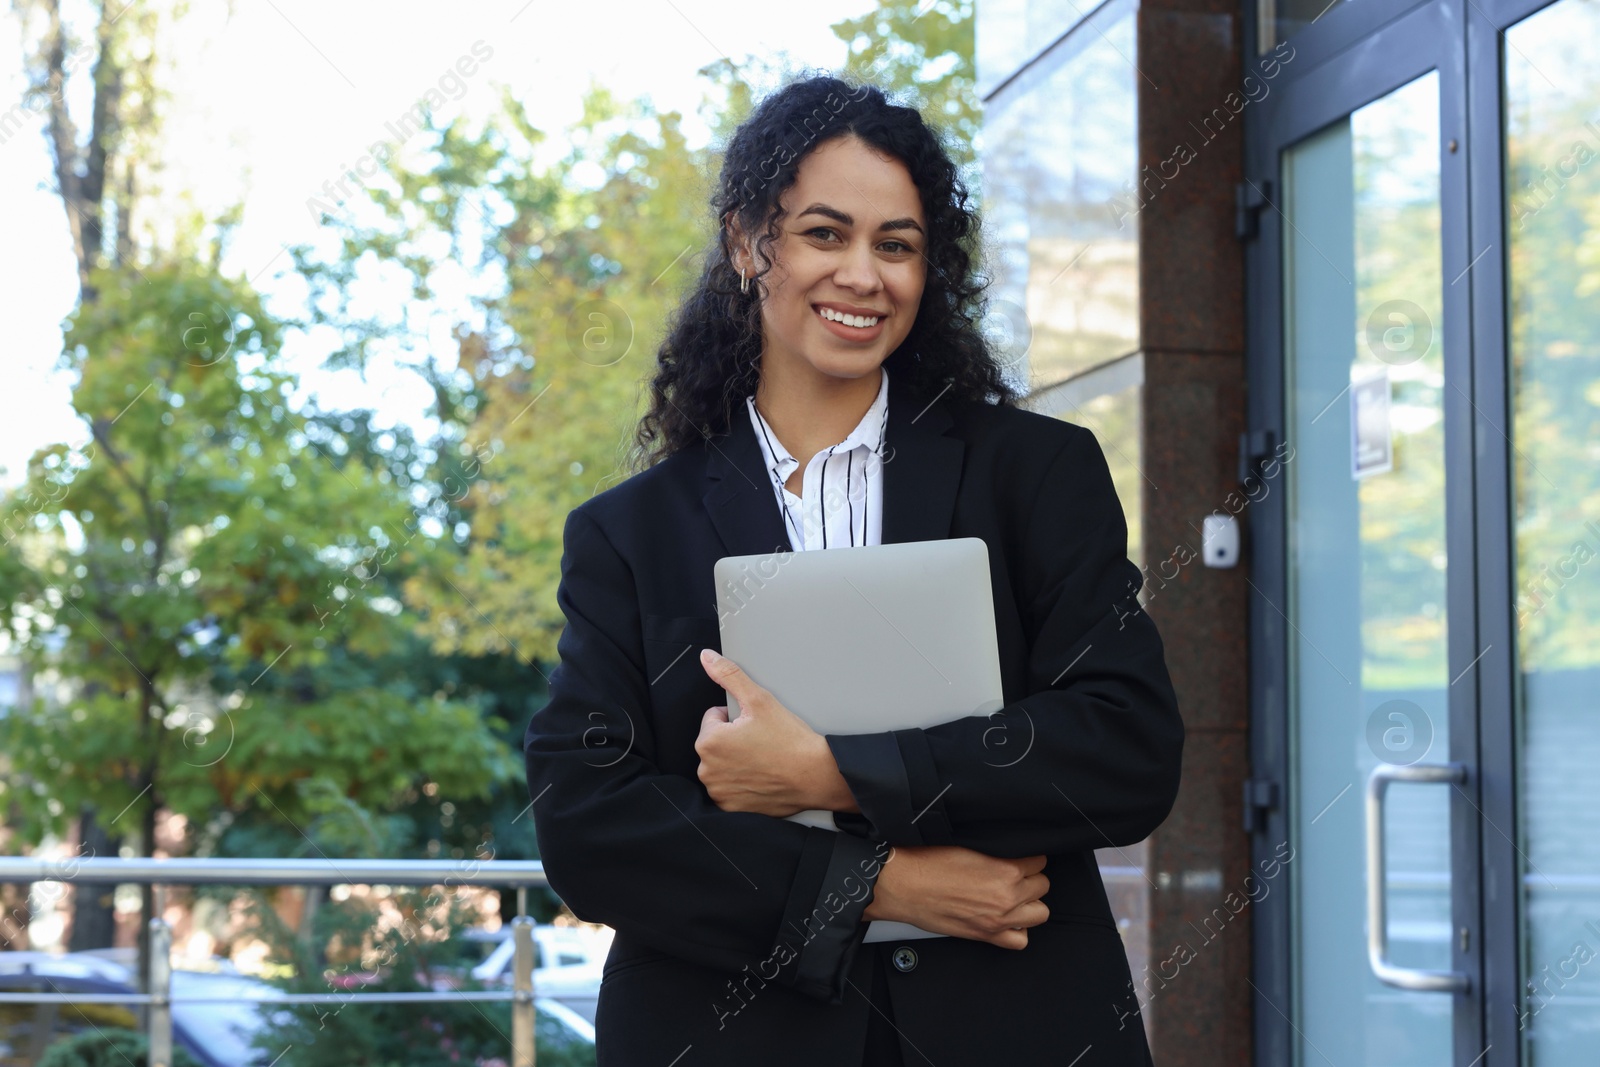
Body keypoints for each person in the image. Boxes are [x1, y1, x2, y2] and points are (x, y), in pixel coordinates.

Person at [523, 72, 1184, 1065]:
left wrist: (830, 768)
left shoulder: (1036, 474)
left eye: (897, 244)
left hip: (1013, 1027)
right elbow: (591, 828)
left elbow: (1124, 745)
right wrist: (878, 884)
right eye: (824, 234)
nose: (863, 275)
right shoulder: (629, 533)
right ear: (752, 243)